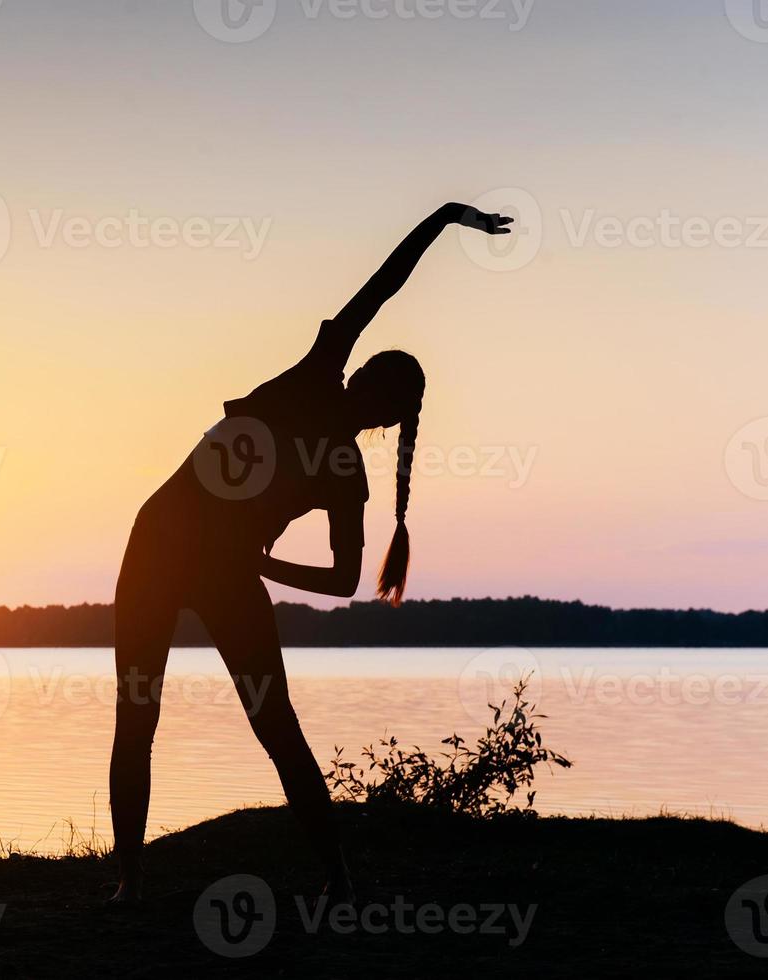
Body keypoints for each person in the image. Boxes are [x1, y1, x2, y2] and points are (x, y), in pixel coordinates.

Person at [107, 202, 514, 904]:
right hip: (161, 542)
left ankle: (334, 876)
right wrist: (445, 218)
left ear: (384, 412)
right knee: (145, 715)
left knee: (265, 726)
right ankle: (132, 880)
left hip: (214, 568)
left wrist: (260, 566)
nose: (366, 388)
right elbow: (385, 283)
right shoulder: (321, 375)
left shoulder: (343, 468)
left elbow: (343, 576)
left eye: (380, 391)